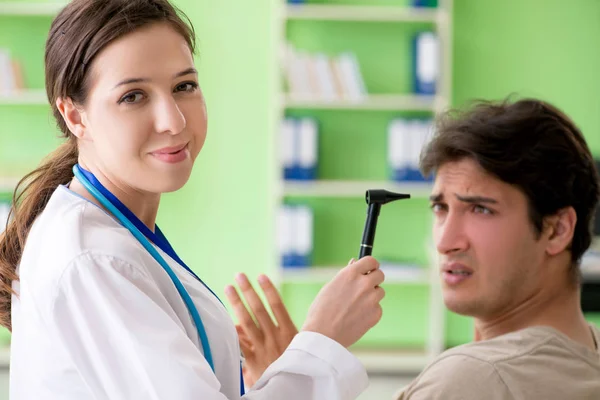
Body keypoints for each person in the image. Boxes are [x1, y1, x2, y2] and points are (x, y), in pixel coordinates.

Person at [0, 0, 387, 398]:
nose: (174, 121)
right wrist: (324, 337)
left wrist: (275, 375)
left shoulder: (115, 235)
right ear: (75, 116)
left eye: (184, 86)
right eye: (133, 96)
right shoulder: (93, 259)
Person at [237, 98, 600, 399]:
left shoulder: (469, 381)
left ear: (556, 230)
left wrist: (303, 371)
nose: (444, 241)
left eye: (480, 208)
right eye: (440, 208)